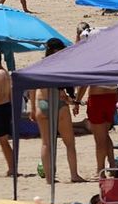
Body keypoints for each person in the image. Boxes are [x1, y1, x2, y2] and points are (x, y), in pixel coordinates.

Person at [31, 39, 84, 183]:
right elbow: (64, 88)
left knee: (46, 143)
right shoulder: (60, 65)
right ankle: (74, 174)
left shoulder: (40, 65)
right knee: (69, 143)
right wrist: (70, 99)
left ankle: (49, 179)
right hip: (59, 104)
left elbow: (30, 86)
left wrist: (32, 108)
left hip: (42, 102)